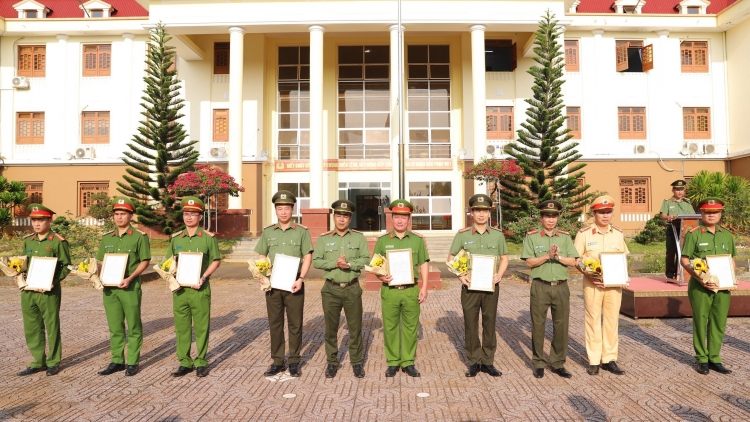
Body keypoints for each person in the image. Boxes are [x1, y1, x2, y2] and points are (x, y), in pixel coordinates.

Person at [447, 194, 508, 378]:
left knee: (490, 323)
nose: (481, 214)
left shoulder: (497, 235)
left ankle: (488, 362)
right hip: (470, 287)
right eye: (477, 210)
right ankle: (473, 361)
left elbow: (504, 258)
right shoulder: (463, 235)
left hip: (490, 287)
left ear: (489, 213)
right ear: (471, 213)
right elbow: (450, 258)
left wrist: (500, 274)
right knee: (470, 324)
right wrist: (460, 275)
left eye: (485, 211)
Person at [255, 190, 313, 378]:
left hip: (294, 282)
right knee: (275, 323)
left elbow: (307, 256)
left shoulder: (302, 232)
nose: (283, 212)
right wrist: (262, 275)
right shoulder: (268, 232)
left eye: (287, 208)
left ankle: (294, 361)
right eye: (280, 208)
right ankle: (278, 361)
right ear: (276, 210)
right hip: (273, 283)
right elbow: (262, 255)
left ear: (292, 209)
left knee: (295, 324)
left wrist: (301, 278)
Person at [521, 200, 579, 379]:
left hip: (561, 287)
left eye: (554, 216)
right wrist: (547, 256)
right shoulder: (532, 237)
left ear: (558, 218)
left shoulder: (565, 237)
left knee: (561, 326)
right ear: (541, 218)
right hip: (540, 286)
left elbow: (574, 261)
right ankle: (539, 362)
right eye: (547, 216)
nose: (551, 220)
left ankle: (558, 362)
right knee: (538, 325)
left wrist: (558, 256)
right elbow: (530, 262)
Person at [312, 199, 370, 379]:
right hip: (331, 289)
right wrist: (334, 263)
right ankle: (332, 362)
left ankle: (357, 362)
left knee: (355, 328)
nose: (342, 219)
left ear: (350, 218)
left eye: (345, 216)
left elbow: (366, 259)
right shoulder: (324, 238)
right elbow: (317, 261)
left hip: (352, 288)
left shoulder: (358, 238)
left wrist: (350, 264)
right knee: (331, 329)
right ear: (334, 217)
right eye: (338, 215)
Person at [372, 199, 429, 377]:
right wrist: (380, 276)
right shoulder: (383, 241)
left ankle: (408, 362)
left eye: (403, 217)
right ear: (392, 218)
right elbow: (376, 265)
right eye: (396, 216)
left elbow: (423, 264)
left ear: (409, 219)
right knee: (390, 326)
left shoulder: (417, 241)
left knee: (411, 327)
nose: (399, 221)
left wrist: (424, 287)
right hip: (390, 291)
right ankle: (393, 362)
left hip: (411, 289)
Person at [573, 195, 629, 376]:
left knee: (612, 322)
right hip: (593, 285)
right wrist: (587, 272)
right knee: (593, 321)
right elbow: (576, 259)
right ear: (594, 213)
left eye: (608, 212)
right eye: (601, 212)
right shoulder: (584, 234)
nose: (605, 216)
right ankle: (594, 360)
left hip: (614, 286)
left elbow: (623, 259)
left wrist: (624, 277)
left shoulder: (618, 234)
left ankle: (609, 359)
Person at [96, 197, 151, 377]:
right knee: (115, 326)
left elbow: (144, 261)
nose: (119, 218)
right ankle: (117, 360)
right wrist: (96, 275)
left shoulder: (139, 237)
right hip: (110, 289)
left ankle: (133, 361)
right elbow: (101, 261)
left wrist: (130, 277)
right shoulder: (107, 238)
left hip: (129, 287)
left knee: (134, 325)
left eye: (123, 214)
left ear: (130, 216)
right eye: (116, 214)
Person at [680, 197, 736, 375]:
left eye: (715, 212)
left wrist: (731, 278)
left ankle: (715, 357)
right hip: (700, 286)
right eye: (707, 212)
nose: (711, 215)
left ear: (720, 213)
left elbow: (731, 259)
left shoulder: (727, 234)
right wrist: (700, 278)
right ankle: (701, 358)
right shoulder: (694, 233)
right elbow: (685, 259)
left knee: (719, 322)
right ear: (701, 213)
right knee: (700, 321)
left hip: (723, 286)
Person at [167, 196, 221, 378]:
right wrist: (169, 275)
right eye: (186, 214)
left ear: (200, 216)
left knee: (201, 326)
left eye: (193, 214)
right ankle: (184, 362)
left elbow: (216, 260)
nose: (189, 217)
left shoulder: (207, 238)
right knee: (181, 327)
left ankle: (201, 361)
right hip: (180, 290)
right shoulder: (176, 239)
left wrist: (204, 277)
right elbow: (169, 262)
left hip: (200, 288)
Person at [18, 203, 71, 377]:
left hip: (48, 291)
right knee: (32, 326)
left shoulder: (57, 241)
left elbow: (66, 266)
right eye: (34, 220)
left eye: (41, 220)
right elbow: (24, 265)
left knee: (51, 326)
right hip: (29, 290)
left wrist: (54, 282)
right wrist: (18, 275)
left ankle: (54, 361)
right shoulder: (28, 241)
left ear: (50, 220)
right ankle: (38, 361)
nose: (37, 224)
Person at [660, 180, 694, 280]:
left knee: (684, 252)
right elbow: (663, 215)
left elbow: (693, 216)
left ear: (684, 191)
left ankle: (683, 274)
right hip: (673, 229)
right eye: (677, 189)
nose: (679, 192)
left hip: (685, 230)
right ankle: (670, 274)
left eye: (681, 189)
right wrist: (668, 217)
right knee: (671, 252)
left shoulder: (687, 203)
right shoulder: (667, 201)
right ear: (673, 190)